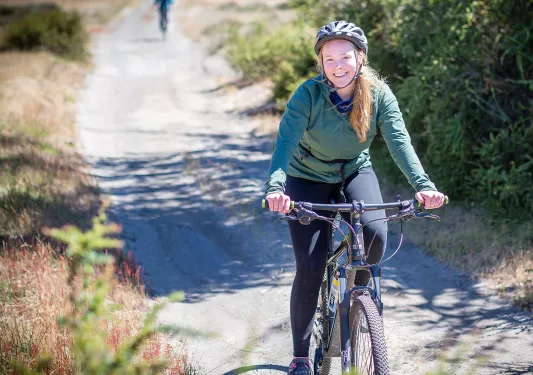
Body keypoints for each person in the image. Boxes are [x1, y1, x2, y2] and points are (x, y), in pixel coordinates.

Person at [264, 20, 446, 375]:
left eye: (345, 57)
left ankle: (356, 302)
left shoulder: (378, 94)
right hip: (306, 177)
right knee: (311, 266)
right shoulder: (308, 95)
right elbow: (284, 145)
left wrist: (423, 185)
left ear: (360, 58)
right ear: (321, 63)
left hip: (354, 171)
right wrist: (275, 188)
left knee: (376, 235)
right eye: (329, 59)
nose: (338, 66)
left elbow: (399, 141)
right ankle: (301, 357)